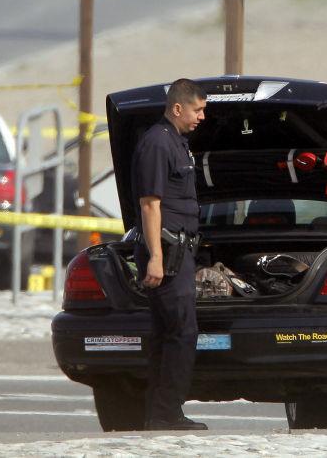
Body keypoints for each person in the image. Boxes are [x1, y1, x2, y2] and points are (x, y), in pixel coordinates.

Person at [131, 78, 208, 431]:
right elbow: (150, 205)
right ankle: (167, 413)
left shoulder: (177, 143)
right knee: (181, 331)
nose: (201, 117)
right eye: (198, 110)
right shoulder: (158, 144)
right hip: (168, 251)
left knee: (168, 333)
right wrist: (156, 257)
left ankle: (156, 412)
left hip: (179, 250)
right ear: (178, 108)